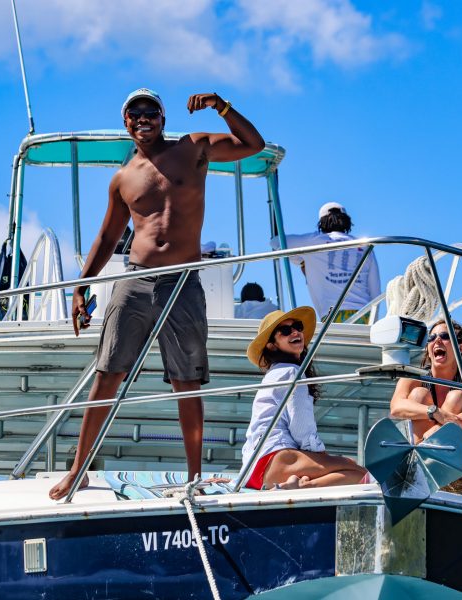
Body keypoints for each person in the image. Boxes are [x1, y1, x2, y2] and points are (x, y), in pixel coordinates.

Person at [49, 88, 265, 500]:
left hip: (182, 281)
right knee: (107, 374)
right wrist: (80, 286)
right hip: (136, 278)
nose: (143, 117)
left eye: (151, 111)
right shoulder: (123, 178)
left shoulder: (195, 148)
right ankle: (78, 470)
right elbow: (108, 236)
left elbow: (252, 145)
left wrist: (222, 107)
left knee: (188, 381)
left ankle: (194, 477)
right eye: (135, 113)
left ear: (163, 119)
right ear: (126, 122)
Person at [240, 307, 368, 490]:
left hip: (253, 472)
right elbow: (301, 427)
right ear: (271, 345)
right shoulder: (292, 372)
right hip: (276, 460)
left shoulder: (273, 375)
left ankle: (297, 485)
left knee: (347, 468)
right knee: (360, 474)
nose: (295, 332)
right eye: (285, 331)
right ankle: (302, 487)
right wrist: (321, 455)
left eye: (297, 326)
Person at [389, 319, 462, 494]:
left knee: (457, 396)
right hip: (422, 465)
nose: (437, 340)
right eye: (432, 337)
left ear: (460, 349)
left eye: (444, 336)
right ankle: (421, 461)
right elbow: (396, 407)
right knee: (418, 395)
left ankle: (425, 453)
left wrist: (439, 429)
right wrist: (434, 412)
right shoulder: (412, 379)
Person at [272, 202, 380, 323]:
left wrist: (301, 262)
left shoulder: (313, 242)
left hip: (332, 316)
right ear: (346, 220)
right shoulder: (365, 245)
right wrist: (373, 323)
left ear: (321, 223)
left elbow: (276, 242)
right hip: (365, 315)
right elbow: (375, 289)